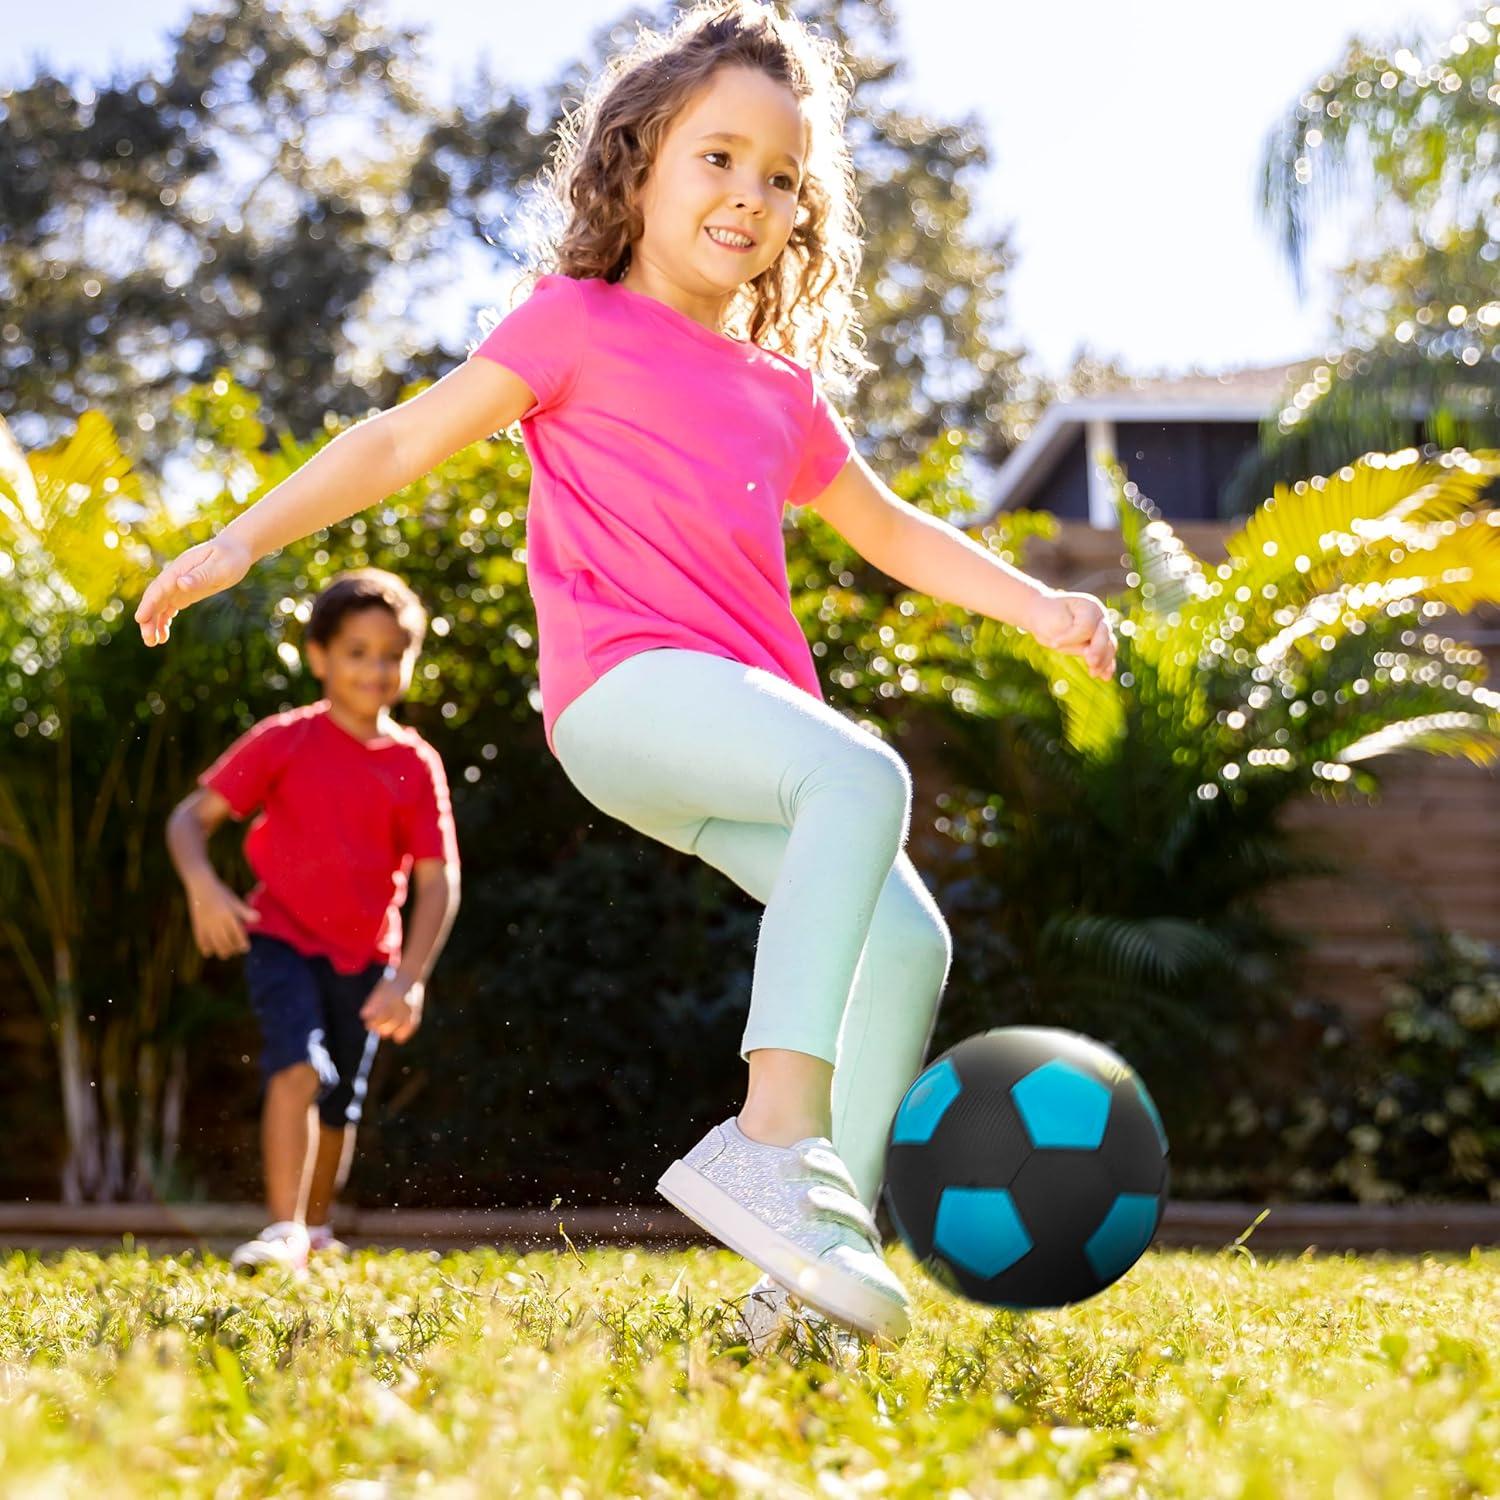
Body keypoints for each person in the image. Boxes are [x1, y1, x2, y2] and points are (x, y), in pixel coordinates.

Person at [136, 0, 1114, 1342]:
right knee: (862, 775)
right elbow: (395, 445)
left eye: (781, 177)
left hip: (733, 731)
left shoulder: (782, 391)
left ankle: (816, 1272)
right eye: (718, 156)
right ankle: (770, 1141)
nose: (749, 194)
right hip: (625, 694)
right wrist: (239, 539)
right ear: (639, 160)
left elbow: (890, 532)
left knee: (904, 941)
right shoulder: (572, 325)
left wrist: (1037, 604)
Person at [164, 569, 461, 1271]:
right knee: (297, 1063)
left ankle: (317, 1228)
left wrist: (410, 977)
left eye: (392, 654)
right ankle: (283, 1229)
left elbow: (437, 877)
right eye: (357, 651)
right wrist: (204, 888)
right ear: (320, 656)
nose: (376, 668)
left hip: (368, 958)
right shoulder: (284, 739)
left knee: (340, 1104)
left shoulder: (416, 766)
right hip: (281, 936)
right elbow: (188, 819)